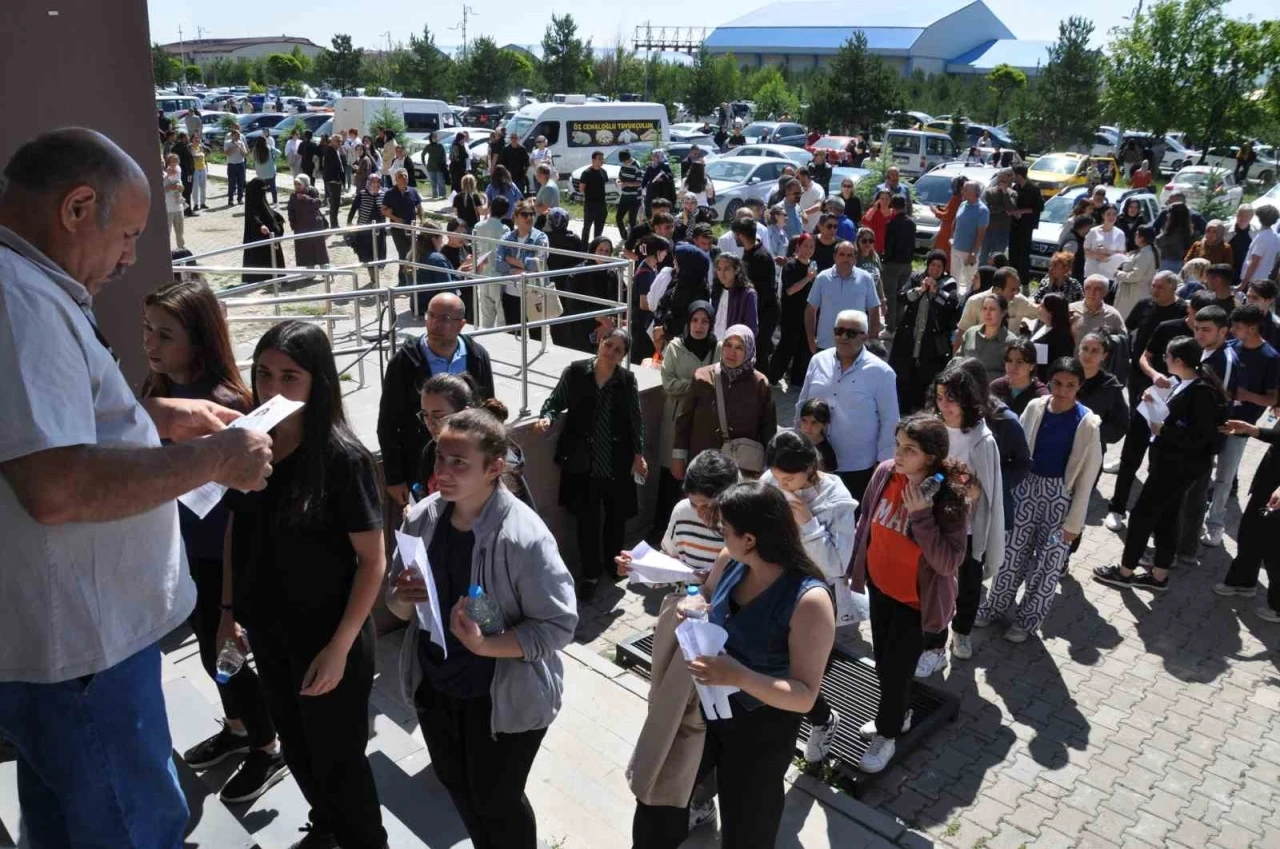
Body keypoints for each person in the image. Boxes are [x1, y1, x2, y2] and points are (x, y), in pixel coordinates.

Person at [0, 126, 276, 849]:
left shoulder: (28, 288)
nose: (129, 257)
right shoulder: (20, 301)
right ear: (76, 207)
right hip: (84, 655)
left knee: (64, 823)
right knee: (131, 827)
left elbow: (52, 432)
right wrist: (217, 457)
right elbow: (55, 485)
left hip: (70, 652)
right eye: (126, 235)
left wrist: (158, 416)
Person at [223, 321, 388, 849]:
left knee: (340, 764)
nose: (272, 388)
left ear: (319, 381)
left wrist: (339, 649)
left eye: (289, 376)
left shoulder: (342, 459)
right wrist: (228, 613)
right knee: (297, 748)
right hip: (271, 636)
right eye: (263, 374)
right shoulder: (252, 445)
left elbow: (372, 562)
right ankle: (327, 828)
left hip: (329, 639)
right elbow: (236, 530)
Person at [387, 407, 576, 849]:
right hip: (437, 688)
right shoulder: (421, 519)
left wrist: (484, 645)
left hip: (503, 702)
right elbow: (397, 608)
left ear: (494, 468)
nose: (443, 472)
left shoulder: (524, 538)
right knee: (457, 786)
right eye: (440, 457)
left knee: (497, 802)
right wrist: (402, 595)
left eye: (459, 462)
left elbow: (557, 628)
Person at [138, 281, 285, 803]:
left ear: (199, 339)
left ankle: (267, 747)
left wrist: (229, 603)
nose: (150, 343)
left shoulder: (224, 406)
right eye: (147, 329)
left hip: (221, 560)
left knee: (226, 655)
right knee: (209, 655)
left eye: (166, 334)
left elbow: (240, 511)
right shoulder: (154, 393)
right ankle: (239, 729)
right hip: (180, 551)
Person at [630, 481, 835, 848]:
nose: (720, 536)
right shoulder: (730, 560)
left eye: (724, 529)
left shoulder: (810, 602)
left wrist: (738, 676)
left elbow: (804, 696)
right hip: (703, 713)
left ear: (751, 539)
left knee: (746, 834)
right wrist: (691, 605)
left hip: (761, 732)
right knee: (656, 802)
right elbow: (707, 596)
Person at [848, 414, 970, 772]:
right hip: (880, 590)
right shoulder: (885, 473)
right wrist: (855, 566)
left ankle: (887, 735)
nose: (898, 455)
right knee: (884, 662)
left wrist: (921, 515)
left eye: (910, 450)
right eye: (898, 445)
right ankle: (898, 714)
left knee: (897, 671)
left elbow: (948, 561)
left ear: (931, 457)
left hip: (915, 604)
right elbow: (865, 520)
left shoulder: (948, 497)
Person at [977, 357, 1102, 640]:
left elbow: (1087, 478)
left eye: (1071, 385)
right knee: (1011, 554)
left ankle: (1026, 621)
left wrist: (1074, 523)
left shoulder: (1088, 423)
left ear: (1080, 386)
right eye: (1057, 383)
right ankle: (994, 607)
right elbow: (1018, 450)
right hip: (1025, 490)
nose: (1063, 390)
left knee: (1047, 564)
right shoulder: (1035, 407)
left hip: (1059, 498)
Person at [1095, 336, 1228, 591]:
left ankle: (1124, 573)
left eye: (1166, 356)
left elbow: (1200, 435)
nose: (1163, 360)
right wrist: (1153, 400)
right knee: (1168, 517)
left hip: (1176, 467)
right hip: (1173, 463)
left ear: (1178, 360)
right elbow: (1177, 414)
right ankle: (1159, 576)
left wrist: (1163, 430)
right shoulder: (1185, 383)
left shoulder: (1201, 391)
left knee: (1141, 517)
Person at [760, 432, 857, 762]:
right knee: (771, 665)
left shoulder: (837, 500)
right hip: (773, 588)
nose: (781, 485)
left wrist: (807, 522)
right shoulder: (770, 482)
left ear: (809, 468)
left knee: (802, 675)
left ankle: (821, 720)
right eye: (776, 478)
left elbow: (837, 564)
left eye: (788, 479)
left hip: (814, 598)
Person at [535, 329, 646, 599]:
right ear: (600, 343)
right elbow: (555, 401)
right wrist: (547, 417)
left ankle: (614, 565)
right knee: (587, 520)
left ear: (623, 356)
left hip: (616, 461)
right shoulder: (576, 372)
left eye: (618, 350)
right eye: (608, 345)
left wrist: (639, 454)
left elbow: (635, 419)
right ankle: (591, 574)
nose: (611, 352)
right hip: (583, 462)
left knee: (616, 518)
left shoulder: (626, 379)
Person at [916, 365, 1005, 671]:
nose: (944, 405)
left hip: (966, 528)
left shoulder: (982, 439)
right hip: (933, 523)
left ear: (967, 399)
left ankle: (962, 632)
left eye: (951, 398)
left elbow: (984, 494)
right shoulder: (930, 428)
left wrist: (964, 480)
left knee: (967, 585)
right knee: (934, 586)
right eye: (940, 397)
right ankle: (934, 646)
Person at [1105, 289, 1214, 525]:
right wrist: (1155, 375)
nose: (1200, 329)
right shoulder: (1167, 328)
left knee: (1159, 465)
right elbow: (1144, 357)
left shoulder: (1209, 340)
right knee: (1131, 456)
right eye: (1197, 318)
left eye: (1206, 324)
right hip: (1151, 400)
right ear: (1189, 308)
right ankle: (1117, 508)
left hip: (1178, 414)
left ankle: (1150, 518)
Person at [378, 291, 495, 505]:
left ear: (461, 324)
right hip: (421, 469)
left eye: (444, 318)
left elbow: (488, 412)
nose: (435, 324)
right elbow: (388, 422)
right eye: (430, 315)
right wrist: (394, 478)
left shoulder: (477, 356)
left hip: (467, 469)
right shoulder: (404, 362)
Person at [796, 309, 900, 500]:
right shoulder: (818, 361)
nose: (843, 337)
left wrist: (883, 464)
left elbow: (890, 421)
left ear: (864, 336)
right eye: (839, 331)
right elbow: (802, 404)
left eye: (851, 333)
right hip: (815, 462)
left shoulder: (882, 373)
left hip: (857, 467)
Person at [1199, 305, 1280, 548]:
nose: (1232, 330)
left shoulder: (1270, 357)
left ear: (1253, 328)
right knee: (1203, 471)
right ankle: (1196, 515)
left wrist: (1246, 395)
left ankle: (1215, 523)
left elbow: (1272, 399)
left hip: (1240, 427)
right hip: (1214, 421)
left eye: (1237, 327)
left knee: (1224, 477)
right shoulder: (1230, 347)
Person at [673, 325, 776, 479]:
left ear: (749, 350)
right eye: (728, 345)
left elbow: (768, 430)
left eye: (739, 348)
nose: (731, 352)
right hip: (702, 462)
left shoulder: (760, 384)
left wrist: (767, 469)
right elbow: (684, 420)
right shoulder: (702, 377)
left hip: (740, 467)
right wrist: (678, 456)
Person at [656, 301, 719, 535]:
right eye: (694, 320)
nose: (699, 326)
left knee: (699, 474)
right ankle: (662, 529)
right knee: (671, 473)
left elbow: (721, 381)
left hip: (704, 420)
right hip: (676, 417)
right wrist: (697, 385)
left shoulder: (718, 348)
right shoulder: (675, 347)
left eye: (704, 321)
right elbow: (668, 383)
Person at [1212, 417, 1280, 621]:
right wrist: (1253, 430)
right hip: (1269, 482)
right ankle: (1242, 581)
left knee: (1273, 549)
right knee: (1250, 533)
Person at [890, 250, 960, 414]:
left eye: (939, 266)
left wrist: (936, 292)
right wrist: (920, 290)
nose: (935, 269)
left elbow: (952, 305)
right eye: (932, 265)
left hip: (932, 341)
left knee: (927, 377)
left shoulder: (949, 283)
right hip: (910, 336)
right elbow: (902, 297)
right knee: (904, 373)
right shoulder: (916, 278)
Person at [806, 240, 881, 351]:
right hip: (826, 345)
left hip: (855, 347)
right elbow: (810, 310)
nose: (845, 259)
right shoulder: (822, 278)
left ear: (855, 258)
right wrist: (811, 341)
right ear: (834, 257)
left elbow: (874, 310)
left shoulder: (866, 278)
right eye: (842, 254)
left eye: (850, 255)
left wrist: (872, 340)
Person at [495, 199, 550, 331]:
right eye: (525, 214)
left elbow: (537, 264)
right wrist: (517, 270)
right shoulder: (507, 238)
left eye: (532, 214)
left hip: (533, 293)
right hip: (510, 294)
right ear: (516, 217)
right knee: (513, 334)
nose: (529, 218)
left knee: (536, 336)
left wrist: (510, 260)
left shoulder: (541, 238)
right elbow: (498, 264)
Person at [772, 233, 818, 386]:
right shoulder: (791, 265)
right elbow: (790, 290)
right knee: (787, 345)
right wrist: (808, 278)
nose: (809, 250)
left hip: (807, 313)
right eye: (806, 246)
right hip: (791, 313)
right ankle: (773, 376)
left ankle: (798, 380)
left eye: (812, 247)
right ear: (798, 247)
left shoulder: (813, 266)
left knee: (804, 346)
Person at [959, 292, 1016, 381]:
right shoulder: (970, 333)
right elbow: (958, 360)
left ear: (1003, 313)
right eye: (984, 309)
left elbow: (1014, 374)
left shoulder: (1011, 342)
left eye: (992, 309)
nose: (987, 313)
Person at [240, 177, 285, 285]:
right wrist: (261, 225)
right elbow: (253, 215)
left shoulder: (260, 198)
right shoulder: (252, 201)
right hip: (257, 234)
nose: (264, 191)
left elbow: (267, 210)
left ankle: (275, 277)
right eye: (262, 188)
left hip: (267, 233)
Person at [882, 195, 915, 331]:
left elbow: (888, 246)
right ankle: (899, 324)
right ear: (905, 205)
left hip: (893, 264)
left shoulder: (891, 224)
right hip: (907, 264)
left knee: (891, 297)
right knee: (902, 296)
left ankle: (890, 327)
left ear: (893, 207)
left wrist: (885, 260)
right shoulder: (911, 223)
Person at [991, 338, 1049, 416]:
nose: (1013, 367)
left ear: (1032, 366)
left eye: (1020, 362)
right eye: (1009, 361)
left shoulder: (1041, 395)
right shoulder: (996, 387)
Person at [285, 174, 331, 272]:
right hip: (301, 227)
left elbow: (318, 203)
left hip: (315, 225)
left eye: (299, 184)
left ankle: (325, 269)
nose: (297, 186)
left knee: (319, 248)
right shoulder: (293, 196)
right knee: (306, 249)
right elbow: (290, 210)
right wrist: (293, 223)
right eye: (295, 184)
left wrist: (306, 198)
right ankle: (310, 270)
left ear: (305, 183)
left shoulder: (312, 191)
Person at [950, 180, 989, 295]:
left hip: (969, 251)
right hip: (956, 248)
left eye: (965, 190)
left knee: (970, 280)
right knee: (953, 278)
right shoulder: (963, 204)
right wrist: (951, 238)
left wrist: (973, 253)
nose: (962, 191)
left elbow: (981, 234)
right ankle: (953, 299)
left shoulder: (982, 210)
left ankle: (968, 301)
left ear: (974, 193)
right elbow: (956, 222)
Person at [1114, 224, 1159, 321]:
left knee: (1128, 321)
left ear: (1142, 238)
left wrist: (1118, 274)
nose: (1135, 236)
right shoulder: (1140, 252)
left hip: (1135, 295)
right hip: (1130, 293)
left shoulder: (1146, 254)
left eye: (1137, 234)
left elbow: (1135, 276)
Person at [709, 251, 758, 339]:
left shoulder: (747, 294)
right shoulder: (716, 290)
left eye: (726, 269)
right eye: (719, 269)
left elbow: (751, 327)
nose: (722, 273)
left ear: (736, 270)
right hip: (714, 341)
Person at [1028, 293, 1075, 382]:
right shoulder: (1041, 325)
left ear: (1051, 311)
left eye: (1042, 306)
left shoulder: (1061, 337)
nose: (1038, 307)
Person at [1008, 165, 1044, 282]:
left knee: (1023, 254)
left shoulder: (1033, 189)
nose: (1013, 177)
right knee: (1013, 253)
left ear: (1019, 175)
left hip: (1026, 225)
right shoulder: (1015, 187)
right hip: (1015, 224)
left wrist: (1022, 211)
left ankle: (1023, 280)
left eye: (1014, 175)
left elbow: (1039, 207)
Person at [347, 173, 387, 278]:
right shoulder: (362, 194)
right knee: (367, 253)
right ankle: (373, 276)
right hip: (364, 230)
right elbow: (353, 209)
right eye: (373, 182)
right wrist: (349, 222)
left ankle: (375, 272)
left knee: (379, 252)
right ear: (369, 183)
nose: (375, 184)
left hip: (379, 230)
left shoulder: (383, 194)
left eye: (378, 182)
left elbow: (388, 209)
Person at [1069, 274, 1125, 342]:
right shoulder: (1070, 309)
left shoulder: (1113, 315)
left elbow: (1123, 339)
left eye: (1097, 289)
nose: (1092, 293)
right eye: (1088, 288)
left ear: (1105, 292)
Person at [1241, 205, 1280, 285]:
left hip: (1253, 280)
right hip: (1265, 279)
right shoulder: (1275, 236)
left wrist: (1243, 283)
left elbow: (1254, 261)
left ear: (1260, 218)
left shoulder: (1262, 237)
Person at [797, 397, 839, 472]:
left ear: (824, 424)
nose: (808, 427)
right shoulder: (794, 442)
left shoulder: (826, 454)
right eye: (804, 420)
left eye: (814, 422)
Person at [1156, 202, 1195, 274]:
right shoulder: (1186, 230)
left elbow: (1158, 241)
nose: (1167, 215)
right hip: (1179, 263)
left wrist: (1166, 227)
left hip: (1168, 264)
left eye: (1169, 213)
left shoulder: (1174, 232)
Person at [580, 150, 608, 242]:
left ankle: (596, 245)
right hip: (590, 205)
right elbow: (581, 188)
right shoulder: (587, 173)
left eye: (602, 159)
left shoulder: (603, 172)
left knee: (599, 228)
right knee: (587, 227)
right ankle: (584, 247)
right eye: (599, 159)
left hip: (602, 205)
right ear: (593, 160)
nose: (602, 161)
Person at [615, 149, 643, 240]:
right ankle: (624, 236)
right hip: (625, 195)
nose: (624, 163)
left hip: (635, 197)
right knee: (618, 217)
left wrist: (626, 184)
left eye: (626, 161)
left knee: (632, 220)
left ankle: (633, 239)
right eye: (623, 162)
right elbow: (620, 177)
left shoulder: (636, 166)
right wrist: (617, 181)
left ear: (629, 158)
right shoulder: (623, 165)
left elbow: (639, 183)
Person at [163, 153, 186, 249]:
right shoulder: (163, 175)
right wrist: (169, 187)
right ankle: (165, 251)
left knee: (180, 232)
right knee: (166, 234)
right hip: (168, 209)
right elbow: (159, 190)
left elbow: (182, 188)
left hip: (178, 208)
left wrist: (180, 187)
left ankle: (181, 249)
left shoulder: (178, 172)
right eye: (171, 161)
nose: (173, 163)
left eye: (175, 161)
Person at [250, 134, 278, 206]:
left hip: (260, 173)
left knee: (262, 188)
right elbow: (279, 153)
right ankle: (275, 202)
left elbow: (252, 158)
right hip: (271, 172)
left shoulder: (255, 150)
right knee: (273, 187)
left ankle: (263, 203)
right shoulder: (269, 148)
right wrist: (273, 157)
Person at [224, 126, 248, 205]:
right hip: (231, 165)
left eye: (239, 135)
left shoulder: (241, 143)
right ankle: (230, 199)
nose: (238, 137)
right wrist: (234, 146)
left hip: (240, 164)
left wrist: (240, 148)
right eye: (237, 135)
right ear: (232, 136)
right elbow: (227, 153)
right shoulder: (227, 143)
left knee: (241, 182)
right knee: (232, 183)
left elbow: (245, 154)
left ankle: (240, 199)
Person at [423, 131, 447, 199]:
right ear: (431, 138)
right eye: (433, 137)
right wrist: (424, 163)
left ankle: (443, 194)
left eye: (436, 137)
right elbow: (423, 154)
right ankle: (435, 194)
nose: (435, 138)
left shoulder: (440, 146)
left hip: (439, 167)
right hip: (430, 167)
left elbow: (444, 155)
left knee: (440, 181)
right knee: (433, 182)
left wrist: (443, 163)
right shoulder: (428, 146)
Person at [190, 133, 209, 212]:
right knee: (195, 187)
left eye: (198, 138)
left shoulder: (201, 146)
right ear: (192, 139)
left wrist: (206, 167)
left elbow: (208, 152)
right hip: (195, 169)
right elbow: (193, 156)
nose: (197, 139)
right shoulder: (190, 147)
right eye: (195, 138)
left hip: (203, 168)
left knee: (203, 187)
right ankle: (196, 204)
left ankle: (202, 203)